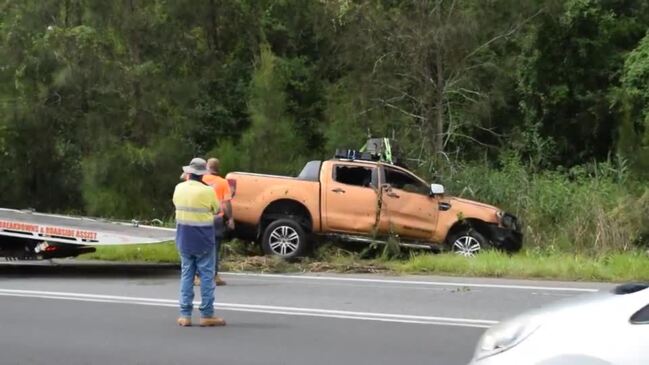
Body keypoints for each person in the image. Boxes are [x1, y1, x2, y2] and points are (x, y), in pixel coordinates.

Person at [172, 157, 226, 327]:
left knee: (187, 275)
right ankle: (207, 314)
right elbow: (217, 210)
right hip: (203, 240)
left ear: (188, 172)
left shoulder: (179, 188)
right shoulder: (208, 191)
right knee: (207, 277)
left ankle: (185, 315)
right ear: (203, 173)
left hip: (184, 239)